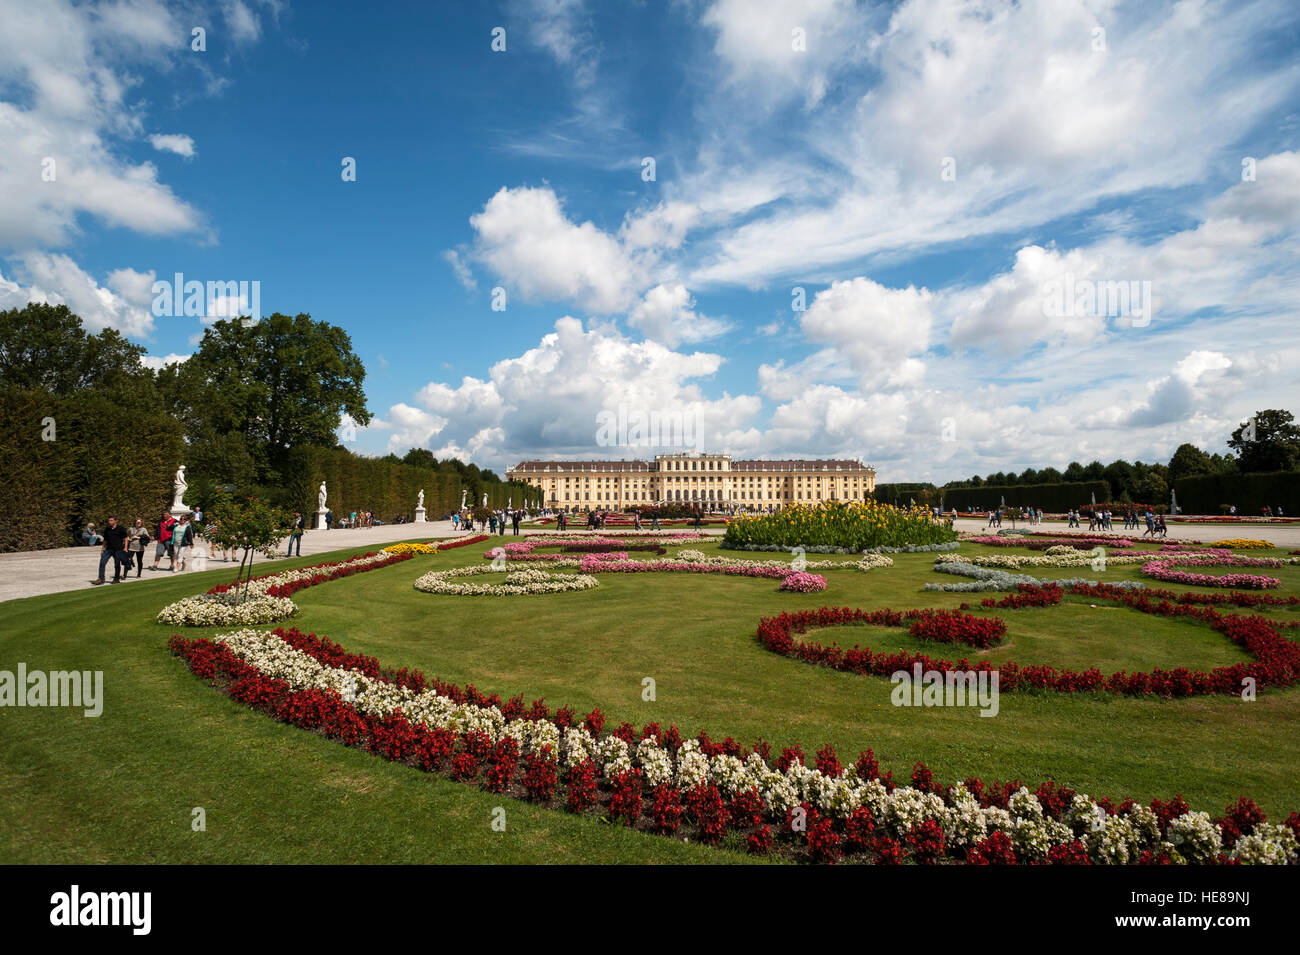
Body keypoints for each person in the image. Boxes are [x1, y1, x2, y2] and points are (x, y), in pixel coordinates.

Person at [93, 516, 129, 584]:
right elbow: (105, 540)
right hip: (108, 549)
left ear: (115, 521)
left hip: (118, 550)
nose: (110, 522)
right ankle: (101, 579)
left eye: (111, 520)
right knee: (102, 563)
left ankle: (116, 579)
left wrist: (125, 548)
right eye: (109, 521)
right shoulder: (107, 529)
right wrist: (102, 549)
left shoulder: (121, 529)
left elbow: (126, 538)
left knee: (117, 564)